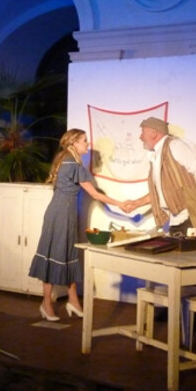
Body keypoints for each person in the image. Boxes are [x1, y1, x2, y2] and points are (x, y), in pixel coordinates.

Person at [28, 129, 127, 321]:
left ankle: (73, 300)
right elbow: (95, 194)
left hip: (63, 213)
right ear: (73, 142)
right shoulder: (72, 163)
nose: (87, 144)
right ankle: (46, 304)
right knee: (54, 256)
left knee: (68, 255)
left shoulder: (66, 159)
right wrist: (121, 204)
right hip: (60, 215)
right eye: (84, 140)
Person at [124, 117, 196, 236]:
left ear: (154, 134)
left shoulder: (175, 146)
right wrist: (136, 203)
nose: (140, 137)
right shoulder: (157, 155)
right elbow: (162, 192)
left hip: (192, 216)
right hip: (175, 221)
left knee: (194, 248)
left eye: (143, 132)